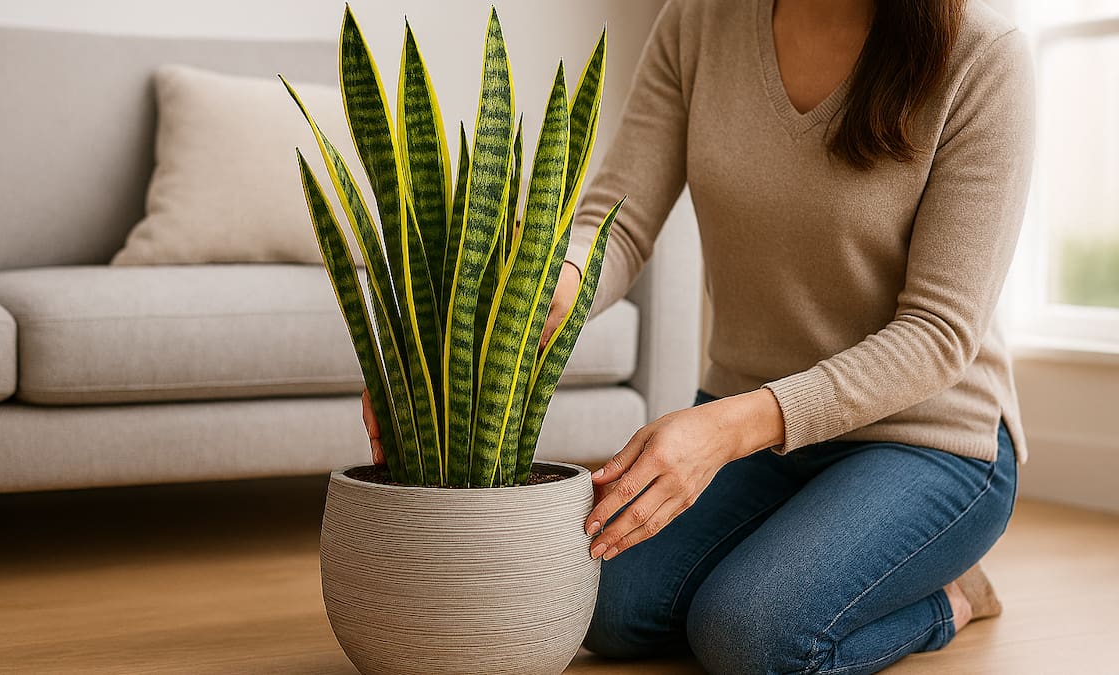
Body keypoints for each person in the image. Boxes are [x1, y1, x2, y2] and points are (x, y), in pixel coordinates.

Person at [363, 0, 1033, 671]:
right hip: (755, 429)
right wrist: (492, 321)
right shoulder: (699, 21)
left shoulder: (984, 56)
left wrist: (722, 431)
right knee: (597, 601)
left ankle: (948, 598)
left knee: (747, 635)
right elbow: (618, 223)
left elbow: (938, 331)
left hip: (925, 439)